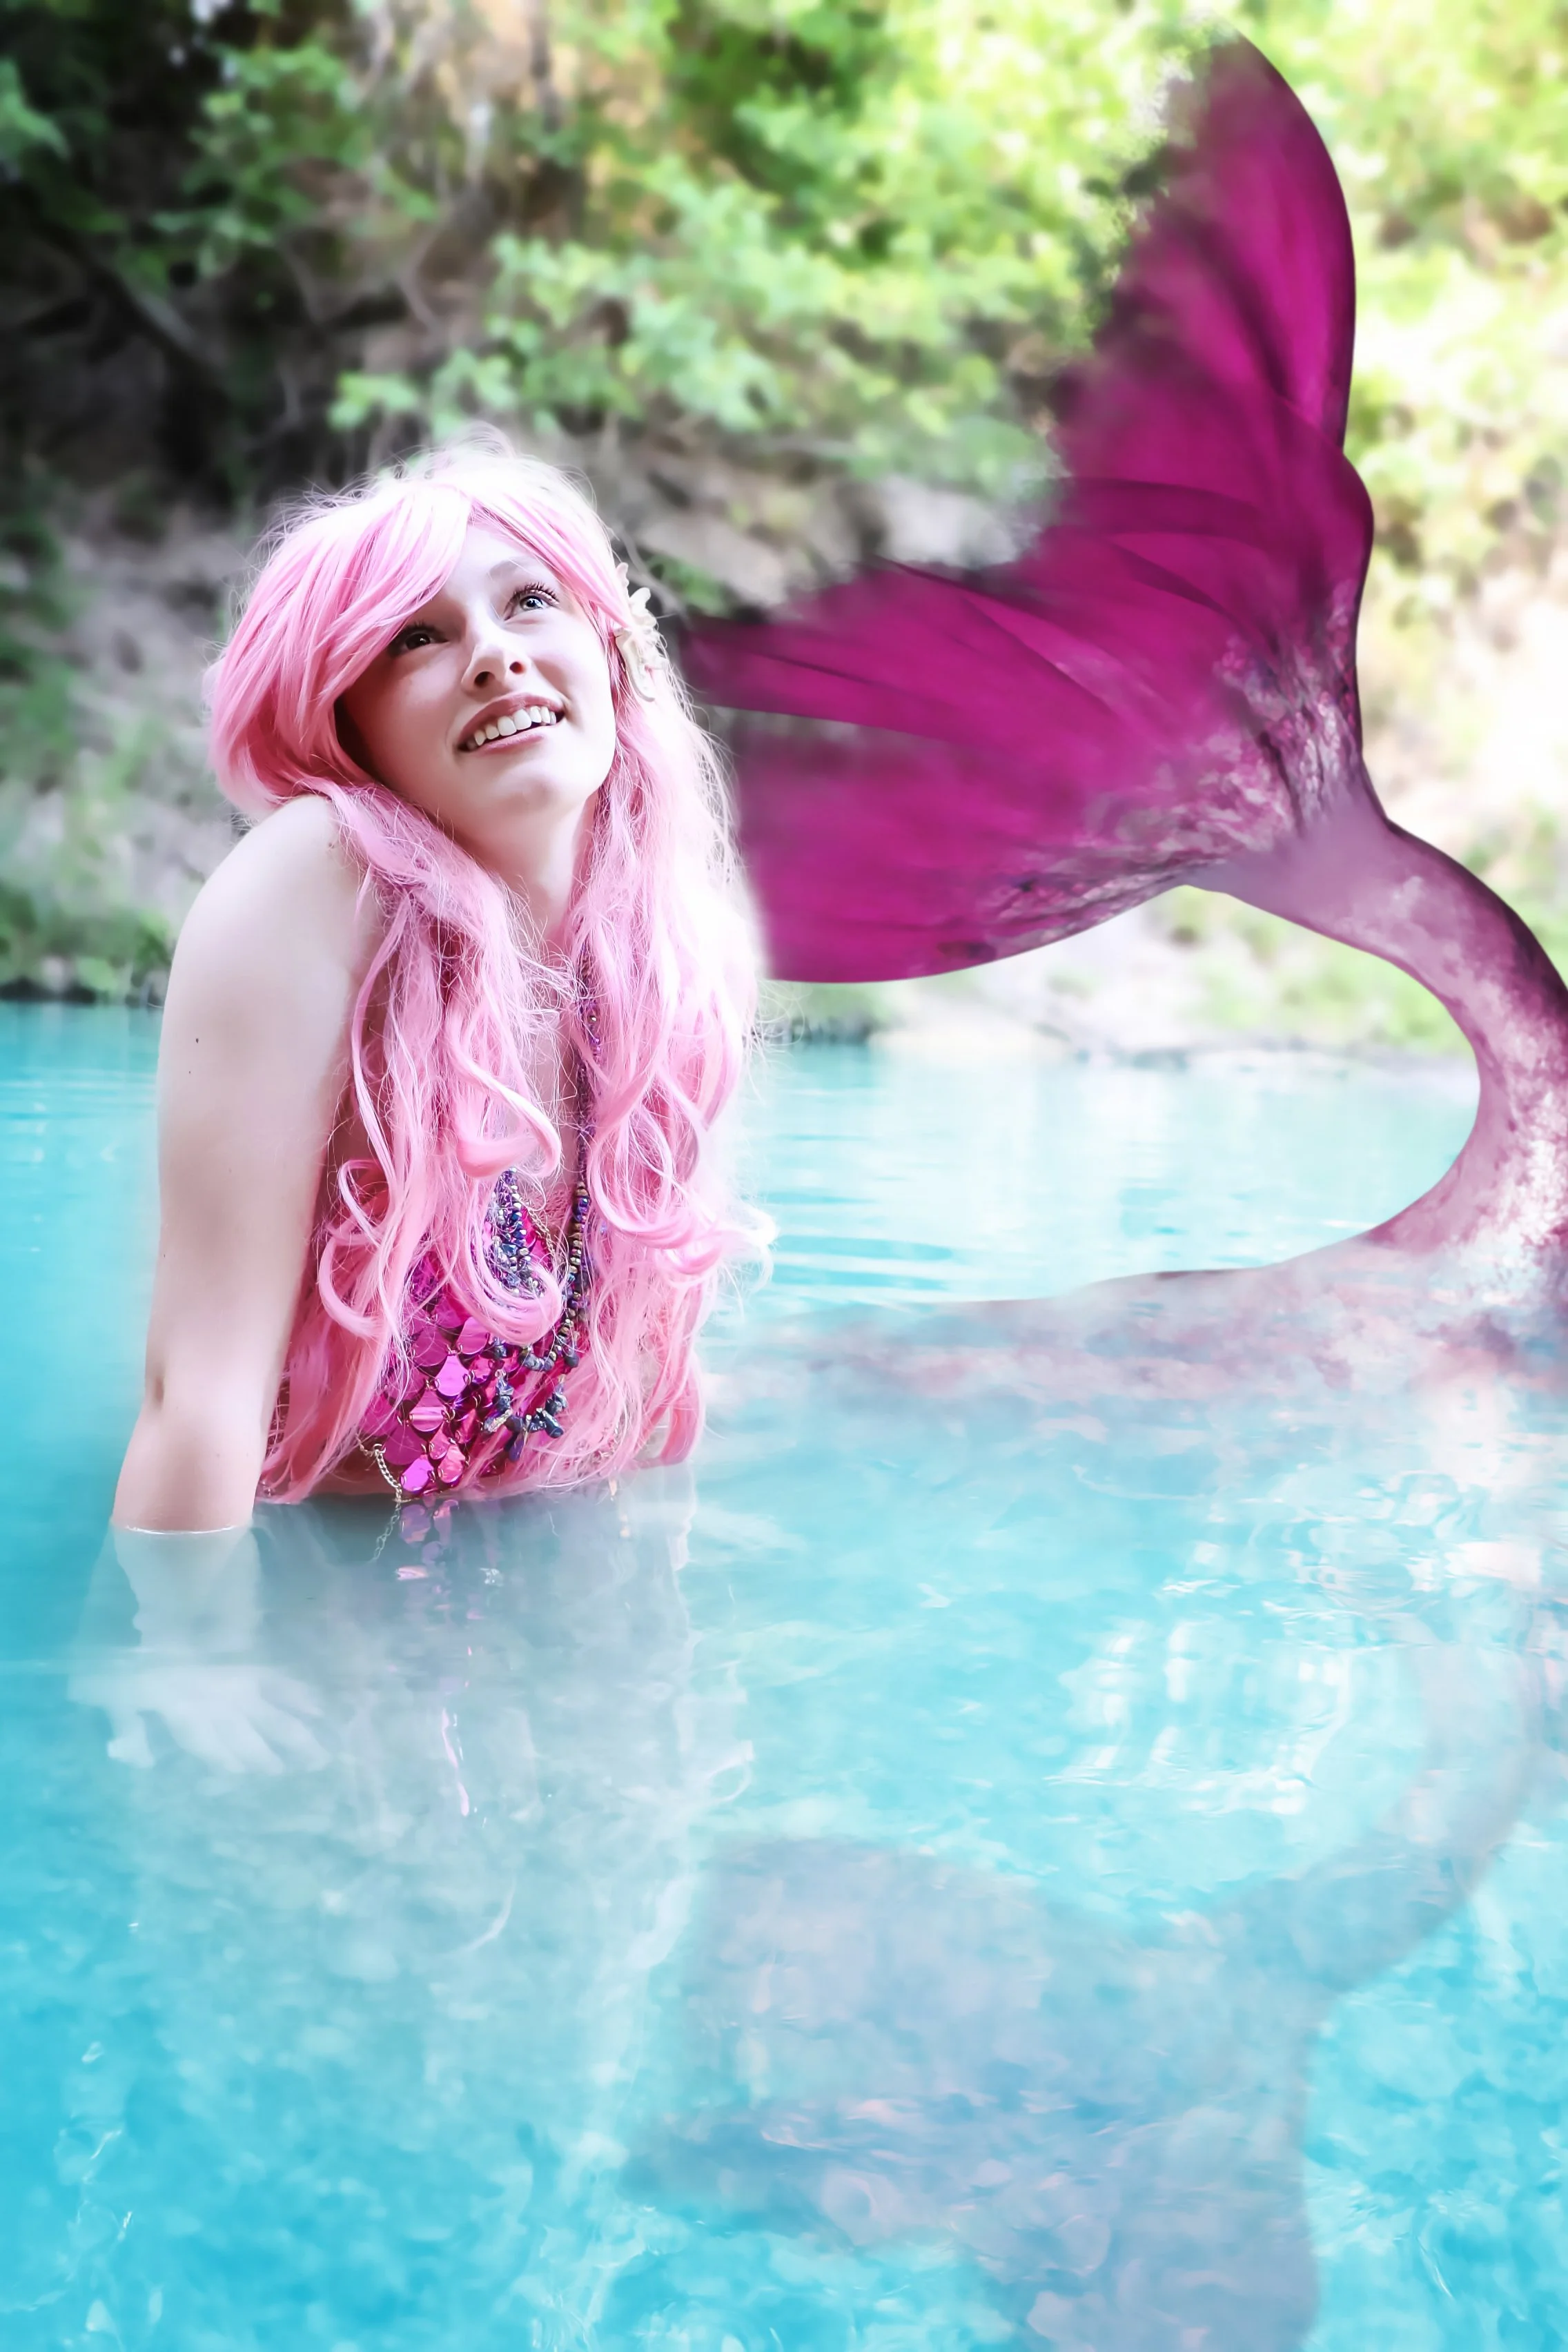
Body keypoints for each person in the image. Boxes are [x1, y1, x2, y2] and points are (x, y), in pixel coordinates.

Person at [113, 443, 757, 1533]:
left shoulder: (673, 947)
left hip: (536, 1563)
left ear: (613, 652)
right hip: (315, 1574)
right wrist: (185, 1672)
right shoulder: (313, 882)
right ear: (345, 722)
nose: (496, 657)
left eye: (531, 602)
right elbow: (197, 1393)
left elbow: (648, 1391)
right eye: (419, 636)